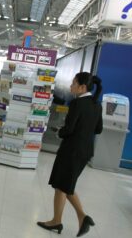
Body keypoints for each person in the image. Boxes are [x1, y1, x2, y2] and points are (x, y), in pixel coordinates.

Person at [37, 72, 103, 237]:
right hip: (85, 151)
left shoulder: (77, 103)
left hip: (71, 150)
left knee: (62, 185)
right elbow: (98, 129)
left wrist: (59, 132)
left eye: (73, 83)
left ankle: (58, 221)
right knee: (66, 184)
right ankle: (80, 218)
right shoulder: (97, 104)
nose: (71, 86)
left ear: (82, 87)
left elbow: (69, 130)